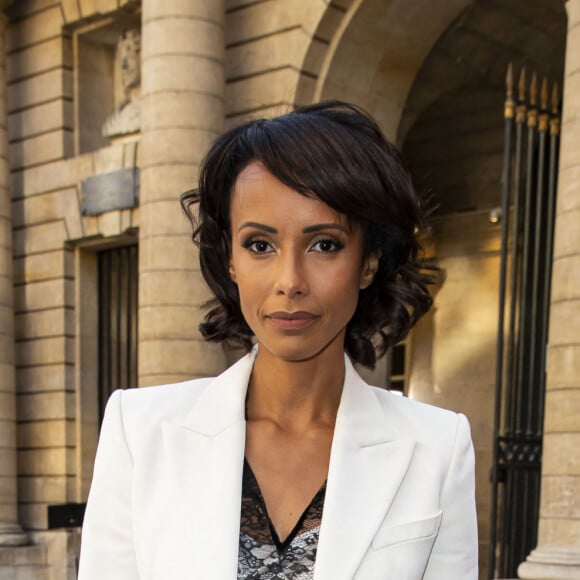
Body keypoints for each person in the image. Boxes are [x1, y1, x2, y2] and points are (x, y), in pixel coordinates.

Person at [78, 101, 478, 579]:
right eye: (260, 246)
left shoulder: (437, 446)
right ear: (231, 260)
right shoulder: (139, 432)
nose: (290, 280)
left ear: (368, 261)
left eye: (324, 244)